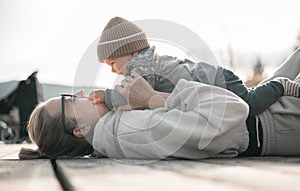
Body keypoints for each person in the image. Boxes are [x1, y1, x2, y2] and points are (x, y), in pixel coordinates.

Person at [18, 47, 300, 159]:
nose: (80, 93)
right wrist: (151, 98)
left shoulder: (118, 123)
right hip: (278, 123)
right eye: (69, 99)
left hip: (271, 116)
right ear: (78, 129)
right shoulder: (127, 131)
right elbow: (236, 110)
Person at [91, 16, 300, 116]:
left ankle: (280, 85)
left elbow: (131, 96)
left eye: (113, 63)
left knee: (251, 105)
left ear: (133, 51)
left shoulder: (143, 67)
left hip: (220, 82)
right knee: (251, 96)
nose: (113, 70)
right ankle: (276, 85)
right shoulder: (147, 63)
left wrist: (106, 97)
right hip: (217, 80)